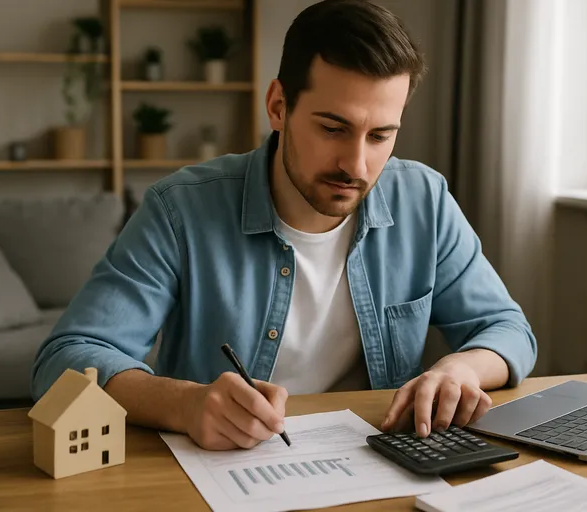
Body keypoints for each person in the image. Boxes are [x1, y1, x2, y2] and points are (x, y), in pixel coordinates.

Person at [31, 0, 537, 451]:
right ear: (278, 106)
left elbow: (507, 329)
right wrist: (184, 404)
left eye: (380, 136)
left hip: (382, 463)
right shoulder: (180, 209)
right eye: (333, 128)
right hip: (221, 474)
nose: (356, 165)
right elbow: (67, 358)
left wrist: (459, 369)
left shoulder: (423, 199)